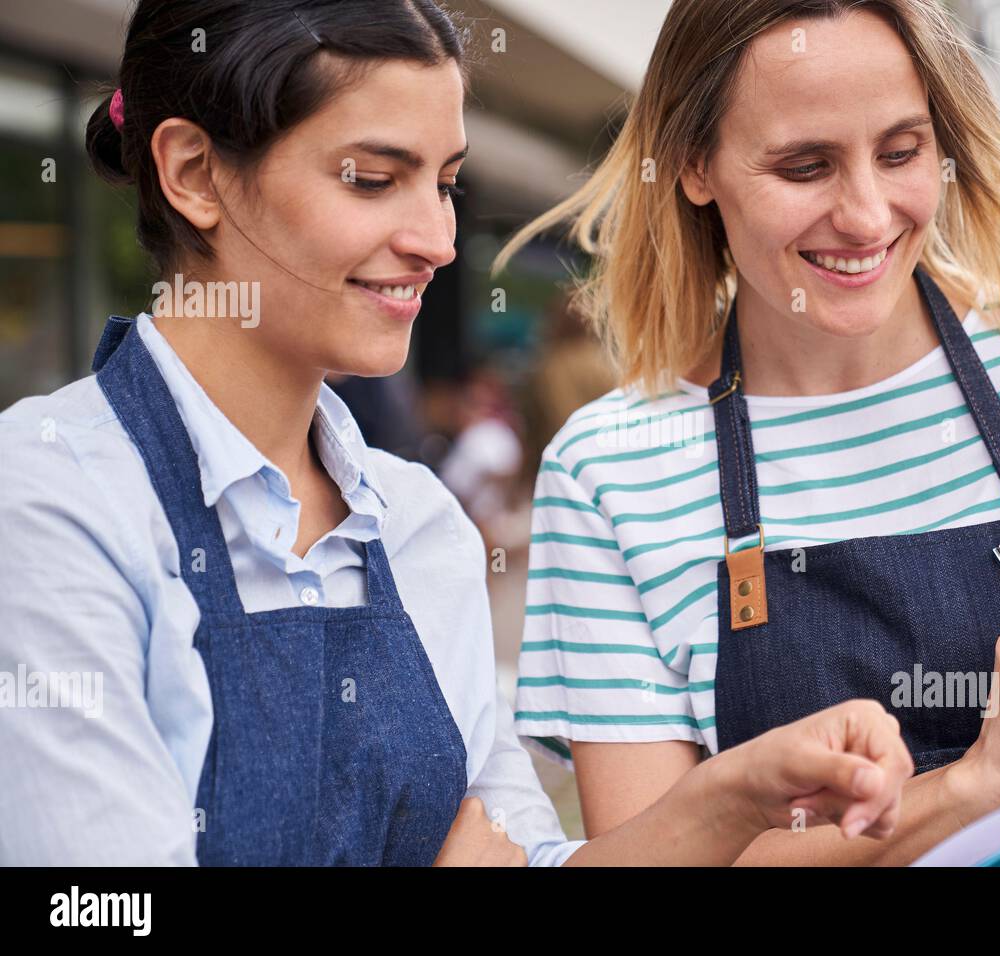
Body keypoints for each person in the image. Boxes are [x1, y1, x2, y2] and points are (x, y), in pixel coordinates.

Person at [0, 0, 914, 866]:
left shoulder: (416, 522)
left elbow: (521, 856)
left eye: (445, 184)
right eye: (372, 179)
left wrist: (735, 798)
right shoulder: (49, 499)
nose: (437, 239)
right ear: (195, 174)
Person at [497, 0, 1000, 865]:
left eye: (902, 152)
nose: (869, 217)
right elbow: (656, 859)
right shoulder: (609, 471)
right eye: (806, 166)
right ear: (694, 165)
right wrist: (972, 786)